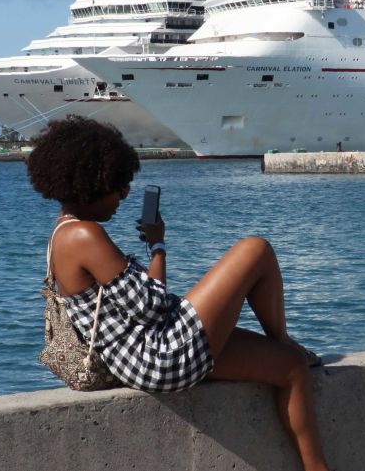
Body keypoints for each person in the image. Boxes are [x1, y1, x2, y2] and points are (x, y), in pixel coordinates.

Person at [27, 116, 328, 471]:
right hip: (157, 358)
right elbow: (152, 307)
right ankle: (284, 338)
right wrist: (158, 246)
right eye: (118, 184)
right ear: (90, 183)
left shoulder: (60, 234)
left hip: (141, 359)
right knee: (255, 250)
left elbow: (133, 305)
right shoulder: (84, 235)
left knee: (289, 367)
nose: (124, 194)